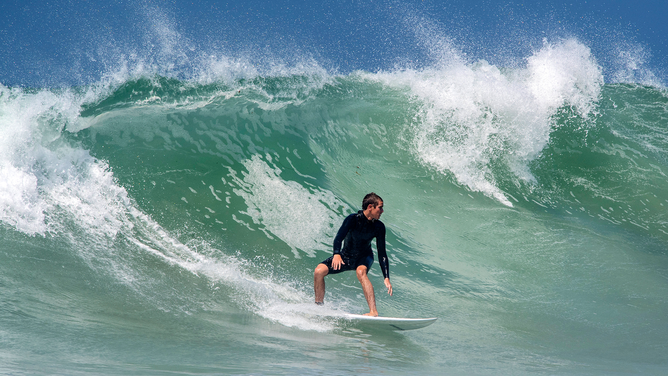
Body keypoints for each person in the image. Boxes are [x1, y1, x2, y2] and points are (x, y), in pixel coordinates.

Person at [313, 192, 392, 316]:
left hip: (364, 257)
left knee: (361, 272)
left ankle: (373, 311)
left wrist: (386, 277)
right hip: (345, 256)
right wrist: (336, 254)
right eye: (380, 207)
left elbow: (382, 253)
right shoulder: (352, 219)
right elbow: (338, 238)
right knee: (319, 271)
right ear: (370, 207)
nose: (382, 211)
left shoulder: (379, 227)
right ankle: (318, 306)